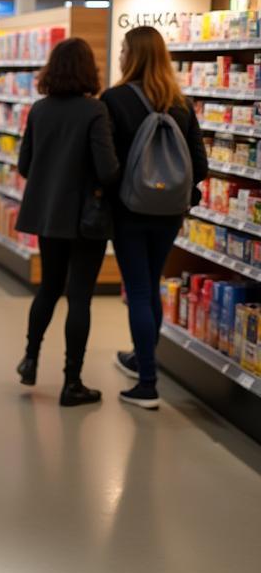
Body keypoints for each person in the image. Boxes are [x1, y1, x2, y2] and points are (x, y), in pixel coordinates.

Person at [102, 26, 208, 410]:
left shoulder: (114, 99)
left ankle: (147, 383)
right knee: (152, 283)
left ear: (131, 55)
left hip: (130, 210)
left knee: (139, 290)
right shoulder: (180, 103)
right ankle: (141, 357)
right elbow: (200, 165)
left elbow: (107, 164)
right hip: (169, 214)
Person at [14, 38, 120, 406]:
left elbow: (24, 166)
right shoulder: (95, 111)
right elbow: (107, 170)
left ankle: (30, 359)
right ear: (89, 70)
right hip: (85, 219)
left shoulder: (39, 110)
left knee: (48, 288)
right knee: (79, 298)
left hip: (48, 215)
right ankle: (72, 382)